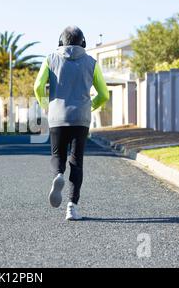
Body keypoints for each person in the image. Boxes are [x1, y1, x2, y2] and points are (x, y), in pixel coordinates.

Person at [34, 26, 109, 221]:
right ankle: (72, 208)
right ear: (83, 43)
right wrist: (89, 106)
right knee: (76, 162)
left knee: (58, 154)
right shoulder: (91, 63)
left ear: (61, 42)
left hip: (57, 116)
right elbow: (104, 94)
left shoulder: (50, 59)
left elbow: (37, 86)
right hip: (80, 118)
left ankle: (58, 174)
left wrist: (45, 105)